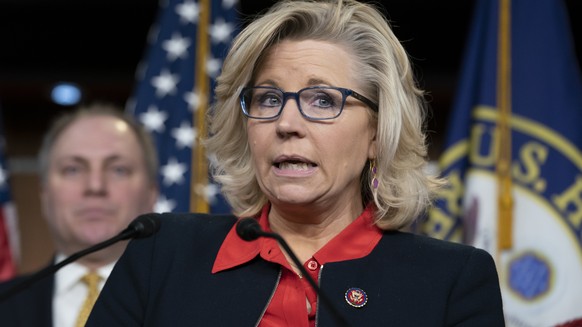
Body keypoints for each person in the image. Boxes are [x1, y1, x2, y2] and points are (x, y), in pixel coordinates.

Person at [87, 0, 505, 326]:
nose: (287, 123)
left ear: (378, 134)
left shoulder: (452, 280)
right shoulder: (162, 254)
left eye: (323, 100)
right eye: (269, 99)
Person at [0, 103, 159, 327]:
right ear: (44, 193)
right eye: (73, 169)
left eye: (118, 169)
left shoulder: (190, 306)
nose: (95, 186)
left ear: (152, 192)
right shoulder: (4, 304)